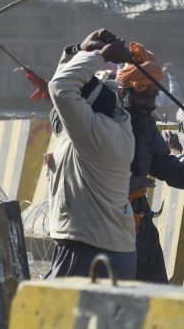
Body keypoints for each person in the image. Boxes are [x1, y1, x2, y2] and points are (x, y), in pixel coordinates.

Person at [45, 29, 137, 279]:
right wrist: (79, 51)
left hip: (91, 251)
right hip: (101, 245)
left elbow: (61, 89)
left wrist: (99, 55)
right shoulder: (105, 125)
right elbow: (61, 95)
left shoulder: (98, 134)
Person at [115, 42, 184, 282]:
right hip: (104, 227)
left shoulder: (146, 126)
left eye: (153, 96)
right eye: (143, 95)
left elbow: (167, 166)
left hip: (139, 224)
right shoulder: (103, 123)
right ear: (125, 92)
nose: (148, 102)